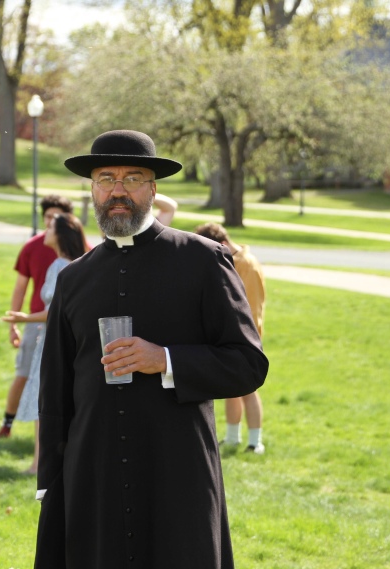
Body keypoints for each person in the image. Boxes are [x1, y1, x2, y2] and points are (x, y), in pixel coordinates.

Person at [34, 130, 269, 569]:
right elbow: (55, 390)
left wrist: (166, 360)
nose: (118, 190)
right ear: (92, 189)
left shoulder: (203, 261)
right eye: (106, 178)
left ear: (153, 188)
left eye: (133, 178)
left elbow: (248, 364)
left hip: (176, 469)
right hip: (94, 471)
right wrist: (51, 479)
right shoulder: (73, 279)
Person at [0, 213, 90, 474]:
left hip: (53, 342)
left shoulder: (59, 265)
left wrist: (24, 317)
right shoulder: (80, 263)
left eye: (50, 227)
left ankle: (39, 464)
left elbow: (56, 310)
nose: (45, 231)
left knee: (45, 400)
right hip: (71, 340)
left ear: (60, 234)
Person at [0, 194, 74, 439]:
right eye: (47, 216)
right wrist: (15, 322)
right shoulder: (33, 246)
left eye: (56, 217)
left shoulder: (77, 249)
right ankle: (7, 424)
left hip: (58, 323)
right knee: (24, 373)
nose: (50, 222)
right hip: (34, 321)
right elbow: (20, 287)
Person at [195, 222, 267, 454]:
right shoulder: (228, 260)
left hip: (245, 337)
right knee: (229, 387)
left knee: (248, 390)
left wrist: (245, 340)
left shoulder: (247, 265)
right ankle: (232, 437)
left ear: (222, 245)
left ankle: (255, 442)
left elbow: (252, 309)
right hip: (225, 334)